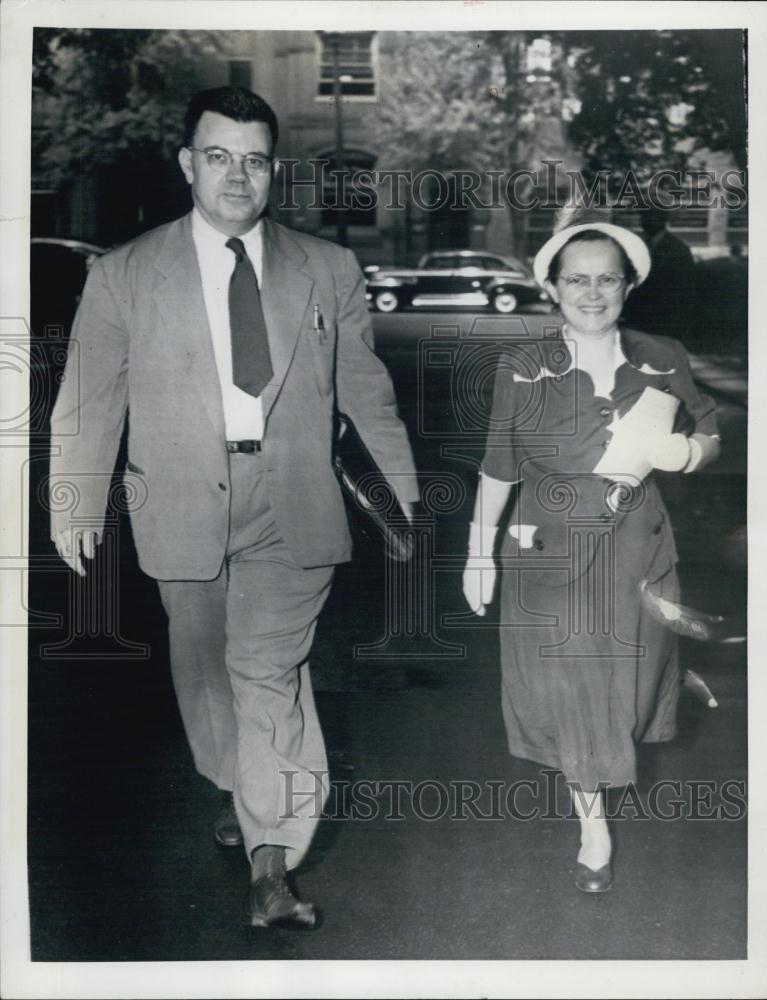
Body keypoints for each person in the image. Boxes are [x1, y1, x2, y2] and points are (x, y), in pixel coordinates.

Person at [49, 86, 419, 928]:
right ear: (188, 164)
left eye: (253, 160)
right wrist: (72, 500)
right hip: (177, 497)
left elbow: (369, 397)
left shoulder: (327, 269)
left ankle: (272, 861)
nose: (236, 176)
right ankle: (237, 785)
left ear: (272, 171)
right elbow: (88, 397)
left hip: (293, 499)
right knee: (206, 673)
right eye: (218, 157)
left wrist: (400, 500)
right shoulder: (124, 273)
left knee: (267, 675)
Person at [462, 210, 720, 893]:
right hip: (549, 545)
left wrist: (688, 452)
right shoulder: (522, 367)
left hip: (639, 545)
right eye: (575, 279)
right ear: (550, 287)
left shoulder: (662, 357)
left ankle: (597, 778)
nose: (591, 292)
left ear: (627, 285)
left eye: (607, 278)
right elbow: (498, 466)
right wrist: (477, 553)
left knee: (629, 694)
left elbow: (709, 432)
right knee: (578, 686)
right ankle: (592, 826)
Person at [622, 205, 696, 347]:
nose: (646, 220)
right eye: (644, 216)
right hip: (637, 323)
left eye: (652, 216)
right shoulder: (637, 246)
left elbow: (685, 293)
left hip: (665, 326)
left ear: (663, 219)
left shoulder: (678, 250)